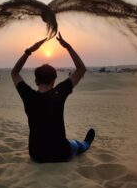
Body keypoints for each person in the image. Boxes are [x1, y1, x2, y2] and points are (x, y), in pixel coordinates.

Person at [11, 32, 95, 163]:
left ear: (36, 80)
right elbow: (81, 69)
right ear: (54, 81)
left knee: (69, 143)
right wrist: (68, 47)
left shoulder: (28, 95)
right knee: (77, 144)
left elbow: (14, 72)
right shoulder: (59, 93)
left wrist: (29, 51)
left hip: (36, 154)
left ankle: (83, 144)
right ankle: (86, 143)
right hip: (60, 153)